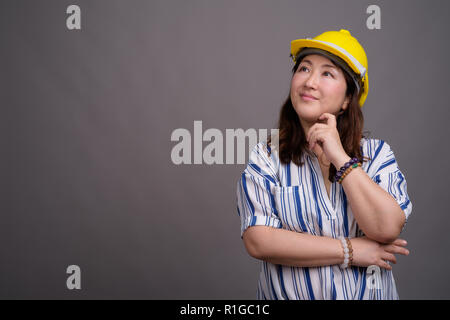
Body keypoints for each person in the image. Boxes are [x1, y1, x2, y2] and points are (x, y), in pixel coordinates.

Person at [236, 29, 413, 300]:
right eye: (304, 68)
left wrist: (341, 158)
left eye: (327, 73)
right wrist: (350, 250)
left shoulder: (377, 155)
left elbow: (387, 227)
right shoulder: (266, 157)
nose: (309, 82)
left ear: (346, 100)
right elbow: (259, 240)